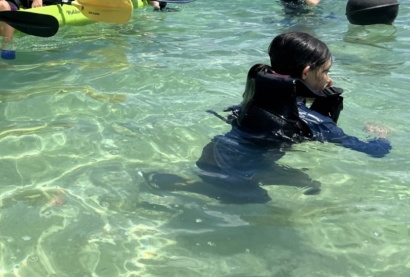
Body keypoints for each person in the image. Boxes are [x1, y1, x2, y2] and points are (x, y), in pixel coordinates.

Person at [141, 31, 391, 204]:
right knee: (268, 208)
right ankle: (192, 189)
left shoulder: (255, 96)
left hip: (213, 155)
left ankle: (196, 185)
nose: (330, 79)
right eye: (325, 72)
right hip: (236, 178)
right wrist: (381, 137)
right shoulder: (312, 122)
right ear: (306, 72)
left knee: (306, 180)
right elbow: (373, 152)